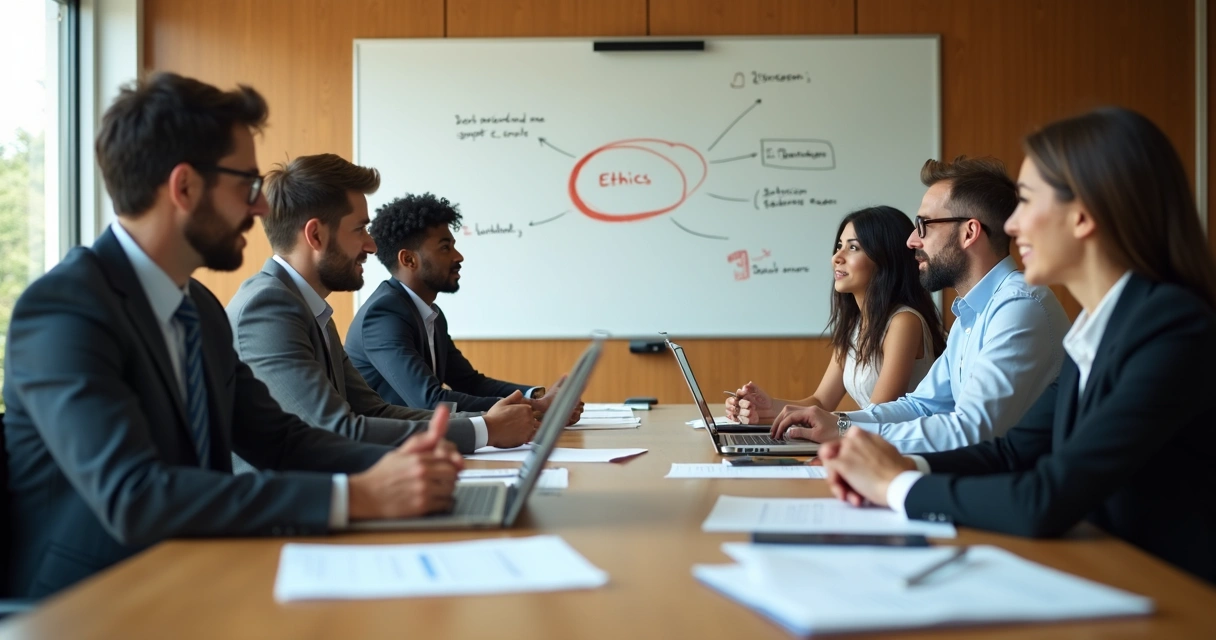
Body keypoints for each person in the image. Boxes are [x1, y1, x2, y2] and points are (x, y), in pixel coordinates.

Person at [1, 73, 462, 599]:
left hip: (197, 576)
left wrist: (412, 463)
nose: (261, 208)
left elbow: (281, 440)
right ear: (184, 187)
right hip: (92, 604)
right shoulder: (64, 311)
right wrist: (354, 497)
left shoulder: (197, 307)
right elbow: (135, 497)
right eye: (246, 185)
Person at [817, 107, 1216, 584]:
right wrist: (898, 463)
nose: (1011, 225)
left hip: (1174, 599)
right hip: (1110, 576)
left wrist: (894, 483)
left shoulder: (1170, 329)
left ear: (1083, 216)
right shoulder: (1098, 327)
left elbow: (1044, 498)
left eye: (1025, 202)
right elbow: (1012, 452)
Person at [226, 154, 538, 457]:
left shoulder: (308, 307)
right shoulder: (267, 308)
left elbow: (374, 411)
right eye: (360, 229)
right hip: (293, 504)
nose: (372, 246)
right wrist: (485, 431)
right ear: (316, 235)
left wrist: (484, 424)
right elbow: (335, 430)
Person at [771, 157, 1070, 453]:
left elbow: (971, 429)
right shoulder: (971, 314)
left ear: (969, 233)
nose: (912, 240)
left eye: (924, 225)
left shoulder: (1018, 307)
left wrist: (845, 434)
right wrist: (839, 425)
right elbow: (922, 404)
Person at [346, 192, 581, 421]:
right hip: (386, 451)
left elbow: (471, 383)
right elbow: (429, 401)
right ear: (409, 260)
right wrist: (537, 407)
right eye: (445, 247)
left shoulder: (433, 316)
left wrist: (538, 396)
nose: (459, 257)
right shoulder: (383, 315)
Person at [725, 206, 946, 423]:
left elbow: (879, 415)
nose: (837, 257)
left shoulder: (904, 322)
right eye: (839, 246)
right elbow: (820, 402)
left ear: (885, 259)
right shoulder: (855, 325)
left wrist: (814, 420)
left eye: (853, 248)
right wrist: (764, 407)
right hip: (869, 445)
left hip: (902, 452)